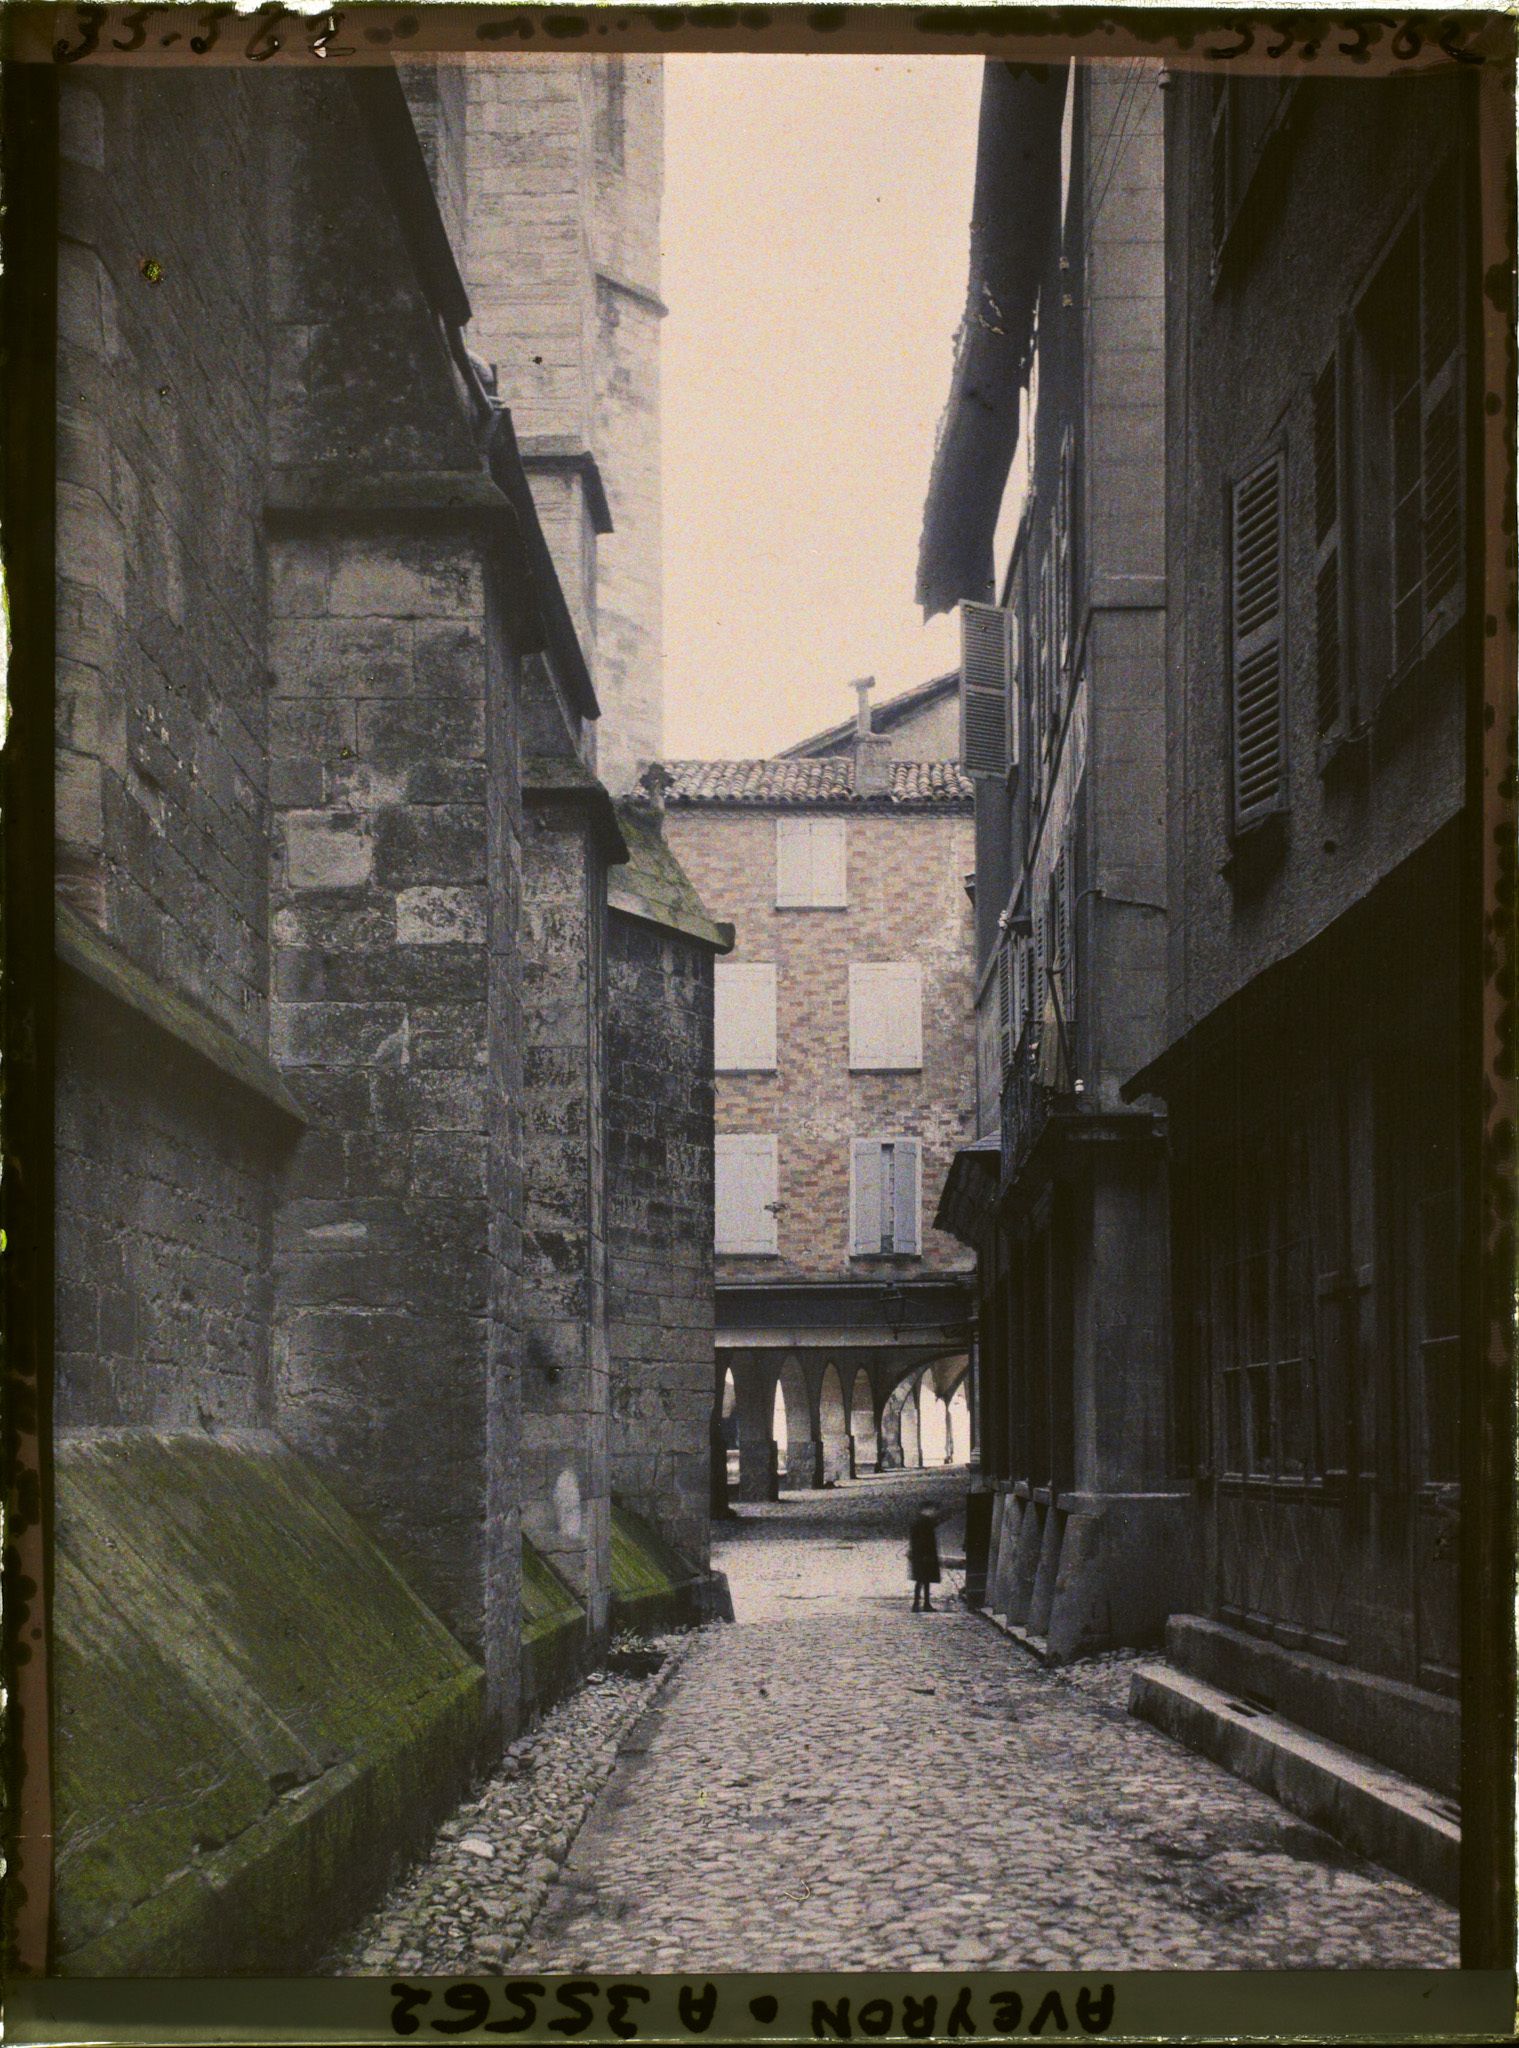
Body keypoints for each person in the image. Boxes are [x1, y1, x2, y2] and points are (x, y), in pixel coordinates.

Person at [908, 1504, 947, 1612]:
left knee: (921, 1580)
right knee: (925, 1580)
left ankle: (918, 1603)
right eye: (933, 1510)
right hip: (925, 1556)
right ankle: (924, 1604)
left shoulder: (918, 1522)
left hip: (919, 1555)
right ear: (928, 1510)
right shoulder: (926, 1523)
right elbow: (925, 1541)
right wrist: (927, 1555)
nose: (935, 1512)